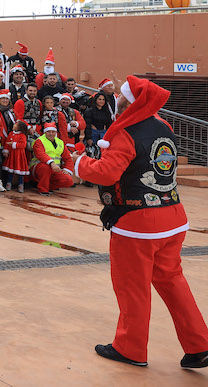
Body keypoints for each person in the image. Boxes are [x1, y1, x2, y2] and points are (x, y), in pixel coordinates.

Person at [67, 76, 208, 368]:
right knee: (173, 282)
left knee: (133, 287)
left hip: (138, 223)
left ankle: (130, 348)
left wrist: (79, 162)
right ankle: (200, 344)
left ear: (131, 101)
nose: (116, 97)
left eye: (121, 95)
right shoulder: (163, 126)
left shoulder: (125, 132)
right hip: (173, 216)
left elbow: (107, 173)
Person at [30, 123, 74, 195]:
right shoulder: (39, 141)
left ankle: (48, 187)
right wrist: (52, 163)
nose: (51, 134)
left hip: (55, 170)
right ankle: (43, 189)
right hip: (39, 168)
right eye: (48, 131)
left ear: (56, 132)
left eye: (53, 132)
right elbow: (41, 155)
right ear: (45, 132)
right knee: (45, 168)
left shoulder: (60, 142)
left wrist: (67, 170)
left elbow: (68, 158)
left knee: (68, 180)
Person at [2, 120, 30, 193]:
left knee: (20, 171)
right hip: (11, 154)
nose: (14, 126)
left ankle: (21, 184)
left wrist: (14, 144)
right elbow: (7, 143)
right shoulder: (11, 134)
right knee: (10, 170)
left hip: (19, 155)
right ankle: (9, 183)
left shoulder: (22, 135)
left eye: (15, 125)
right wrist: (6, 150)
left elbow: (23, 145)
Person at [83, 92, 114, 159]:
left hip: (103, 133)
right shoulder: (89, 111)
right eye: (99, 99)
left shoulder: (107, 111)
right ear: (96, 100)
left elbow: (109, 123)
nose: (101, 101)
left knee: (103, 154)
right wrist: (89, 138)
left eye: (103, 99)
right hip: (93, 133)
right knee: (93, 154)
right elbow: (87, 125)